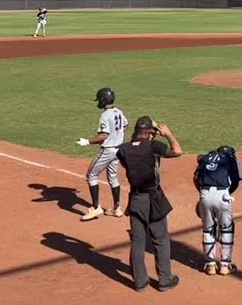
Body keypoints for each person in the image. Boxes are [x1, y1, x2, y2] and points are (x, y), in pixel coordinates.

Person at [117, 116, 183, 292]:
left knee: (137, 242)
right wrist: (168, 134)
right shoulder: (154, 147)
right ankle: (165, 280)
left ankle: (140, 283)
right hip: (153, 200)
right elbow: (178, 151)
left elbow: (127, 162)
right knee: (160, 240)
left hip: (135, 200)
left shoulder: (123, 149)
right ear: (151, 133)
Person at [76, 87, 127, 220]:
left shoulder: (105, 115)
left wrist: (87, 141)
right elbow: (125, 125)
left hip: (108, 150)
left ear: (104, 100)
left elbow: (104, 135)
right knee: (113, 178)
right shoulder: (119, 112)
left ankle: (96, 208)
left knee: (91, 175)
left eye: (99, 99)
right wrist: (118, 135)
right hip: (118, 150)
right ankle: (117, 209)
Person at [193, 145, 242, 276]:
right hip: (223, 195)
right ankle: (225, 265)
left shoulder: (205, 158)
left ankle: (210, 265)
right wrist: (227, 192)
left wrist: (202, 194)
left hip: (204, 195)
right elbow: (236, 180)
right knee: (227, 228)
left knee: (208, 228)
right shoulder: (230, 158)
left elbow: (196, 178)